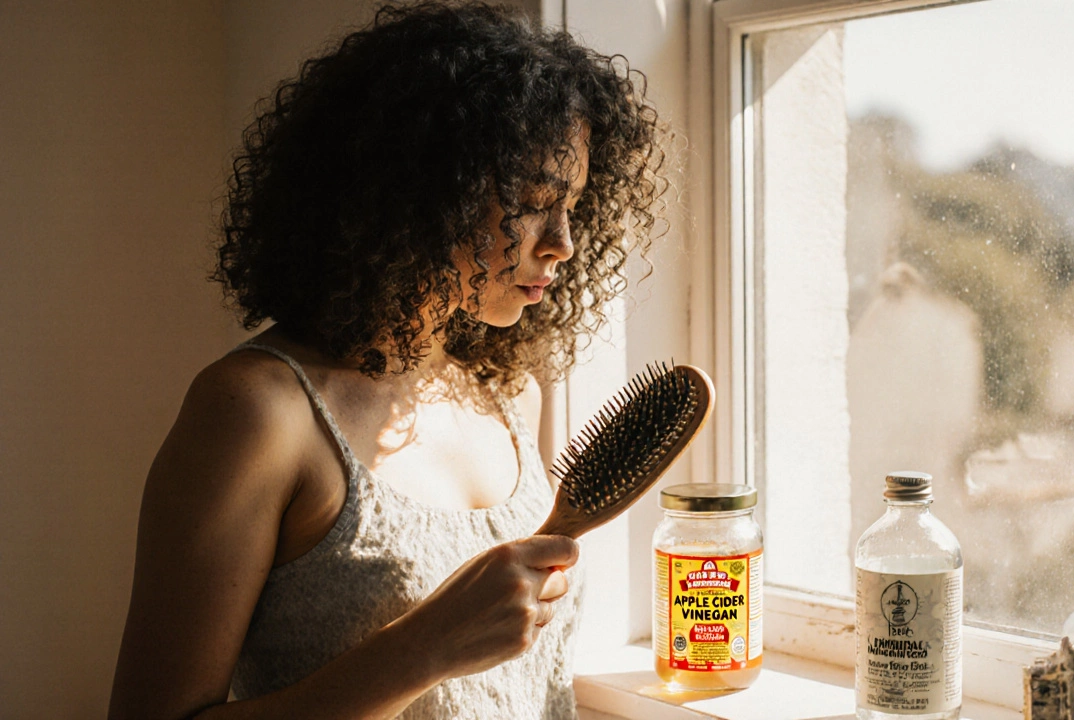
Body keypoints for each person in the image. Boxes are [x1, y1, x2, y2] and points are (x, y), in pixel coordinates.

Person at [108, 2, 668, 718]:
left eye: (574, 205)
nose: (561, 241)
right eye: (530, 202)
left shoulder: (505, 395)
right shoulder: (256, 413)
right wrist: (425, 647)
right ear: (420, 190)